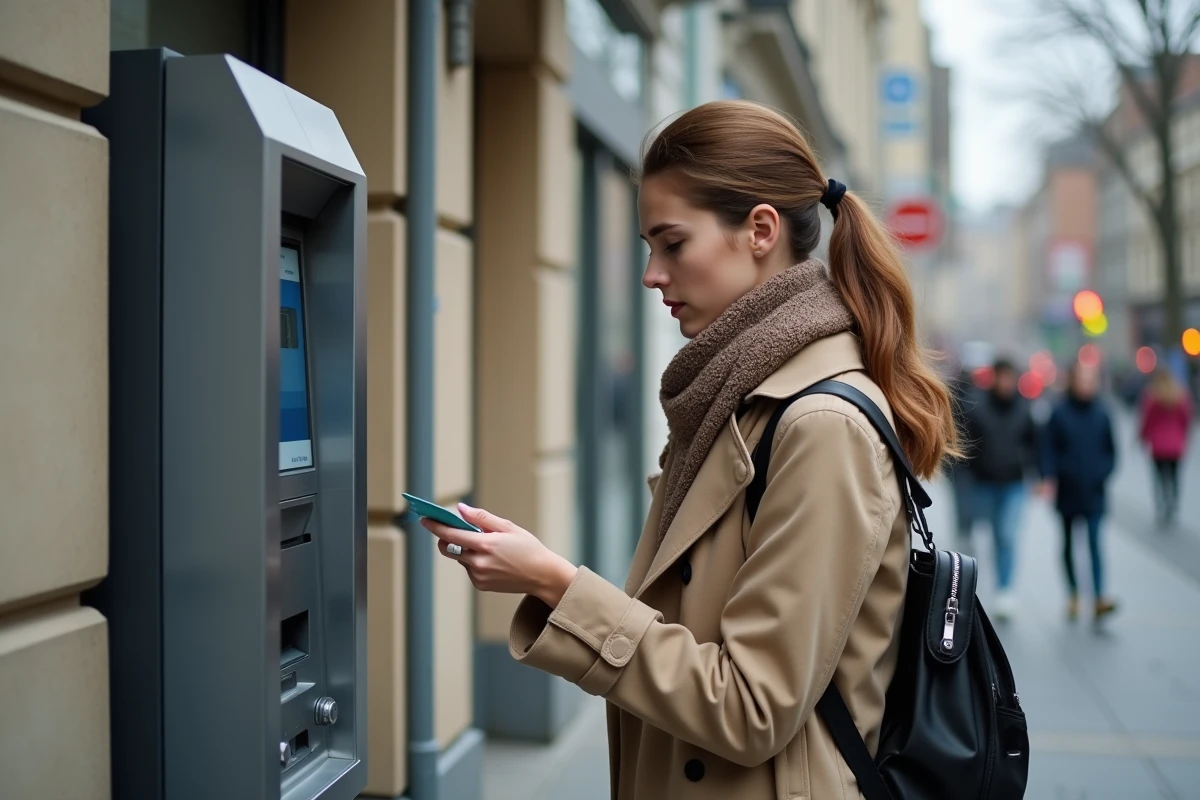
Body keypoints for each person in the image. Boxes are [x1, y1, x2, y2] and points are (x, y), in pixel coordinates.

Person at [421, 100, 957, 799]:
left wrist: (556, 582)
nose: (651, 274)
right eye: (649, 248)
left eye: (672, 244)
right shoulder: (732, 397)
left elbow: (752, 707)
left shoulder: (821, 424)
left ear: (759, 230)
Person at [1039, 362, 1118, 621]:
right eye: (1082, 380)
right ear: (1072, 382)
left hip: (1094, 491)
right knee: (1069, 543)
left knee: (1095, 543)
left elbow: (1111, 451)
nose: (1087, 385)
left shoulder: (1102, 413)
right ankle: (1073, 593)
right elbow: (1048, 449)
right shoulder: (1059, 413)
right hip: (1068, 491)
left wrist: (1102, 473)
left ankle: (1098, 597)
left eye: (1091, 380)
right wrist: (1050, 476)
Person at [962, 357, 1039, 620]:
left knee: (1007, 534)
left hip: (1014, 483)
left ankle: (1005, 589)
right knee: (993, 534)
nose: (1006, 383)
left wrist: (1038, 473)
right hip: (985, 483)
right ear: (993, 377)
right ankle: (997, 585)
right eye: (1002, 377)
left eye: (1010, 377)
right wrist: (971, 471)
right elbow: (966, 442)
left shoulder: (1024, 408)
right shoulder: (978, 407)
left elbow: (1034, 442)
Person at [1139, 367, 1192, 525]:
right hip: (1176, 444)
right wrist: (1183, 437)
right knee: (1174, 477)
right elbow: (1186, 419)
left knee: (1159, 477)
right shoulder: (1180, 395)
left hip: (1158, 444)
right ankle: (1173, 502)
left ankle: (1162, 503)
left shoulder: (1152, 396)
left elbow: (1147, 420)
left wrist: (1142, 437)